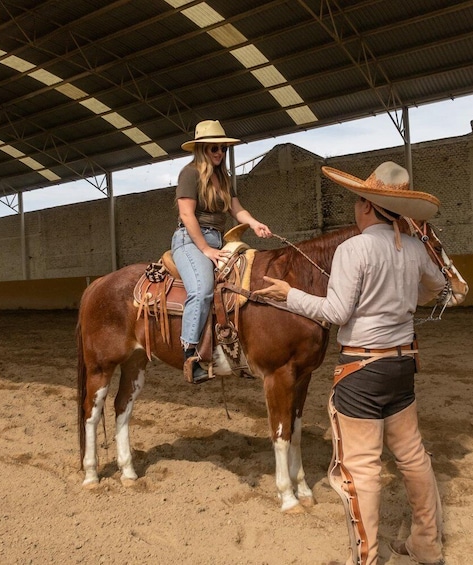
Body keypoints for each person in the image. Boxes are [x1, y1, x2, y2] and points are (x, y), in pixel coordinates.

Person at [254, 161, 447, 565]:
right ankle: (426, 544)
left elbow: (337, 313)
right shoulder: (413, 247)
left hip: (363, 371)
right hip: (403, 365)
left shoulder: (353, 249)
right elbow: (440, 286)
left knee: (360, 469)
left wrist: (289, 295)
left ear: (365, 205)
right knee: (413, 457)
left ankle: (366, 559)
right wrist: (403, 300)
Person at [172, 119, 272, 384]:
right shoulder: (190, 173)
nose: (219, 153)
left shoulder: (224, 178)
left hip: (219, 240)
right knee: (202, 289)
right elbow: (186, 213)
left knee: (243, 285)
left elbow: (236, 209)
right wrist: (204, 249)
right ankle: (190, 357)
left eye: (223, 149)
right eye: (213, 148)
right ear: (202, 149)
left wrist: (253, 223)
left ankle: (233, 352)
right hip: (190, 240)